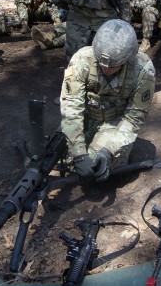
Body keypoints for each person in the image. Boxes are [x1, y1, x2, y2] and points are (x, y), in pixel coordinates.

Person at [61, 19, 155, 183]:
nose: (105, 69)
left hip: (115, 124)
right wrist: (78, 152)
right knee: (68, 160)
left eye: (113, 66)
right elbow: (71, 109)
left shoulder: (143, 71)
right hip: (87, 118)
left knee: (96, 166)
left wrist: (108, 150)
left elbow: (133, 119)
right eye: (101, 63)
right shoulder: (82, 60)